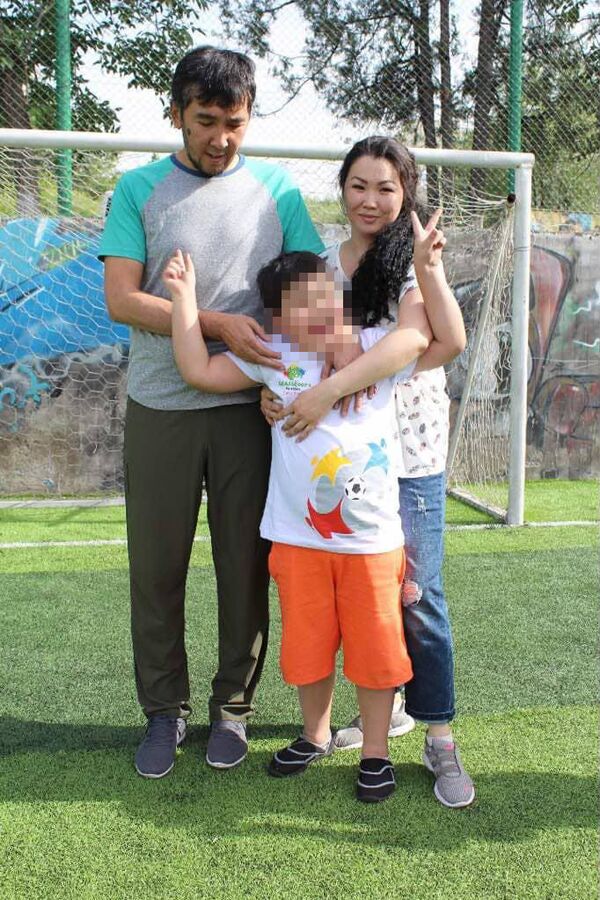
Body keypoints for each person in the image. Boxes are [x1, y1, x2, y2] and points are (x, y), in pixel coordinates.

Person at [164, 244, 462, 802]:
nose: (318, 311)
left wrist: (430, 272)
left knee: (376, 654)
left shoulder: (378, 347)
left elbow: (445, 340)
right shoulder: (274, 358)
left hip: (372, 546)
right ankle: (315, 735)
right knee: (308, 648)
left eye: (324, 296)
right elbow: (198, 370)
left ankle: (376, 752)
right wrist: (183, 300)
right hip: (298, 542)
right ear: (278, 322)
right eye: (299, 305)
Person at [99, 45, 324, 779]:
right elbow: (122, 299)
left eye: (235, 122)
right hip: (160, 406)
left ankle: (233, 708)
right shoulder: (137, 189)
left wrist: (291, 373)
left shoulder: (278, 191)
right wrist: (218, 322)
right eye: (205, 121)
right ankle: (164, 711)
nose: (221, 138)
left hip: (249, 413)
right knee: (156, 568)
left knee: (245, 566)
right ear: (176, 114)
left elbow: (312, 293)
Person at [262, 136, 474, 809]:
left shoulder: (412, 261)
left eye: (386, 188)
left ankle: (439, 736)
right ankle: (361, 723)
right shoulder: (323, 266)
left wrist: (332, 387)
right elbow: (291, 346)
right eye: (359, 185)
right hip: (340, 460)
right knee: (352, 601)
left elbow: (431, 341)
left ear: (406, 193)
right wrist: (278, 391)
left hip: (409, 451)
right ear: (343, 189)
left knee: (418, 596)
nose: (371, 200)